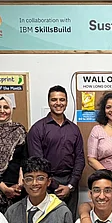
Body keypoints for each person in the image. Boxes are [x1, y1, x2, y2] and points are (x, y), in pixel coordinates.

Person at [27, 85, 85, 214]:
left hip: (70, 183)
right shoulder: (37, 129)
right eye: (54, 100)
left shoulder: (74, 129)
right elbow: (37, 163)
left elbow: (80, 159)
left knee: (68, 222)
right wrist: (55, 185)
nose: (58, 103)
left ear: (66, 102)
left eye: (62, 100)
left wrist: (70, 186)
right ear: (49, 102)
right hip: (46, 184)